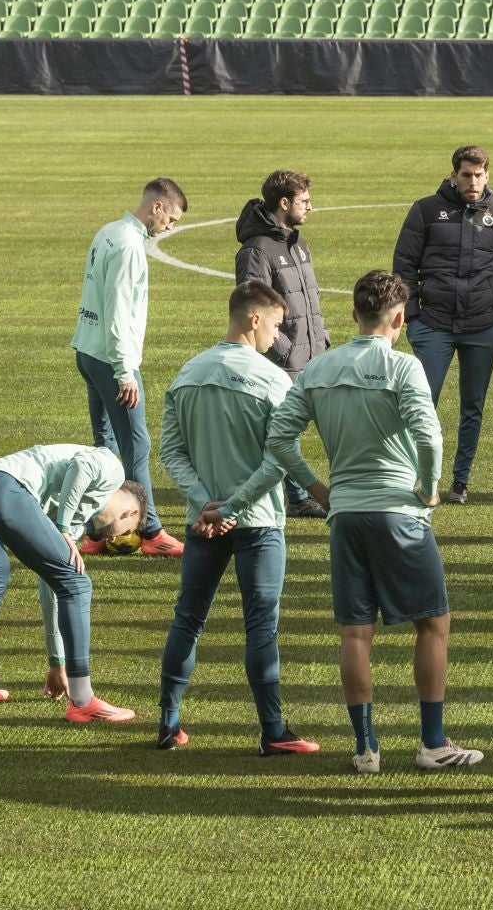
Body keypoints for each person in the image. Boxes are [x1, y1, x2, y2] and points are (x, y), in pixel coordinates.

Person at [258, 270, 482, 773]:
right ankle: (432, 744)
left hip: (346, 517)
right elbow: (430, 438)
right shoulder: (404, 368)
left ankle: (365, 748)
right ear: (399, 318)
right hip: (398, 513)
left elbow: (278, 440)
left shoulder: (317, 369)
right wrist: (428, 487)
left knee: (355, 634)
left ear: (352, 314)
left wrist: (318, 489)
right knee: (433, 623)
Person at [158, 282, 326, 756]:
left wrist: (204, 502)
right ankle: (273, 732)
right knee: (261, 627)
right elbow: (279, 458)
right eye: (276, 324)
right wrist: (232, 506)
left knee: (187, 619)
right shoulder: (273, 380)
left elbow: (172, 450)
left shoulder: (187, 372)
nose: (278, 336)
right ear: (254, 319)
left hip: (201, 523)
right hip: (257, 524)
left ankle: (168, 724)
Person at [0, 444, 141, 722]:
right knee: (78, 583)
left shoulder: (74, 515)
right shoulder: (114, 470)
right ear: (130, 514)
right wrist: (61, 528)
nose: (113, 540)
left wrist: (56, 662)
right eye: (128, 534)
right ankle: (83, 700)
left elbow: (51, 586)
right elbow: (82, 466)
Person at [392, 145, 493, 505]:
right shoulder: (426, 211)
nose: (473, 181)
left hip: (484, 326)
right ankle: (420, 478)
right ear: (454, 175)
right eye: (467, 174)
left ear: (487, 176)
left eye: (480, 175)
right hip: (433, 324)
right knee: (422, 402)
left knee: (472, 405)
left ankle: (460, 482)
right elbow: (404, 264)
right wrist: (414, 315)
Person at [71, 176, 189, 557]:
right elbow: (119, 313)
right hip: (110, 359)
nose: (169, 227)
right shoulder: (128, 246)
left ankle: (96, 531)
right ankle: (151, 530)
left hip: (88, 351)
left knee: (103, 447)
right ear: (157, 207)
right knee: (135, 444)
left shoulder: (110, 231)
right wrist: (125, 371)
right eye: (170, 219)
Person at [236, 168, 331, 519]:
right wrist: (285, 349)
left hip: (313, 355)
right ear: (284, 202)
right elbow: (252, 306)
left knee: (292, 430)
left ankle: (296, 495)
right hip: (284, 361)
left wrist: (321, 337)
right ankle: (296, 496)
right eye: (305, 201)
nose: (311, 207)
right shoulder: (257, 250)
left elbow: (309, 298)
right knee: (280, 430)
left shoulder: (297, 243)